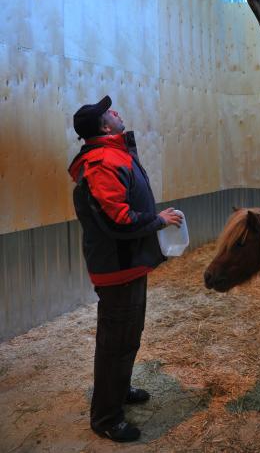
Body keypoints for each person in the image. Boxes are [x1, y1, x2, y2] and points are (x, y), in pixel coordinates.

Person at [68, 95, 182, 442]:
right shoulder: (102, 162)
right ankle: (106, 417)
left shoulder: (114, 154)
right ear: (104, 126)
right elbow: (116, 221)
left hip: (130, 265)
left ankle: (120, 388)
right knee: (115, 341)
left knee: (128, 336)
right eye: (110, 112)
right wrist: (158, 221)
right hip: (118, 267)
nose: (117, 113)